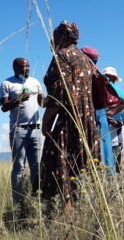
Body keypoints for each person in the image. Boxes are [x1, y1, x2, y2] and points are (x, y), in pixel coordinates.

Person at [41, 21, 100, 209]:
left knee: (61, 162)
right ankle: (85, 208)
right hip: (88, 120)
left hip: (69, 120)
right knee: (82, 164)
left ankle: (67, 213)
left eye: (56, 34)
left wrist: (46, 122)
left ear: (63, 36)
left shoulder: (62, 56)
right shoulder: (84, 59)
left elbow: (60, 95)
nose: (53, 38)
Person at [0, 58, 44, 205]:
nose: (27, 69)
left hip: (36, 129)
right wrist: (19, 99)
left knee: (36, 166)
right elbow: (4, 107)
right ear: (15, 67)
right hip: (18, 129)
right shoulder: (7, 83)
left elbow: (42, 103)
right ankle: (18, 203)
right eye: (24, 66)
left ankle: (35, 201)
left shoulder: (35, 82)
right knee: (19, 166)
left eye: (28, 66)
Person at [81, 47, 116, 174]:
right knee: (103, 153)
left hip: (96, 119)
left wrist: (110, 113)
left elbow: (122, 98)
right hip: (100, 119)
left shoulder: (93, 76)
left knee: (99, 152)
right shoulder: (97, 75)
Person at [102, 66, 123, 173]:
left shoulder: (118, 93)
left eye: (111, 78)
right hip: (103, 134)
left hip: (115, 135)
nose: (109, 79)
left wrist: (111, 116)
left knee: (115, 162)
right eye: (107, 77)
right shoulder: (99, 92)